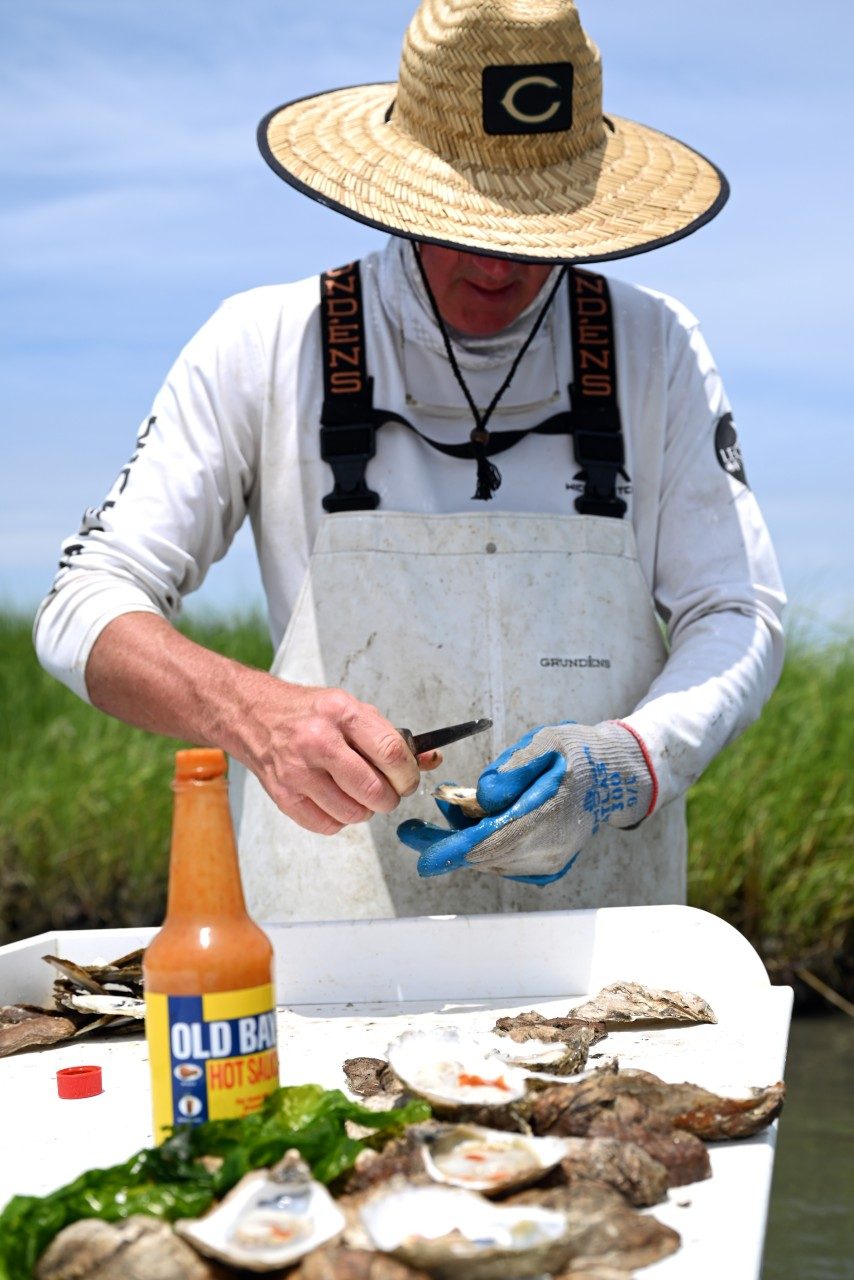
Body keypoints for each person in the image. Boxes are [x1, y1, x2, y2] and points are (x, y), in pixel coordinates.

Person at [34, 0, 785, 922]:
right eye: (463, 225)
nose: (497, 266)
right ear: (400, 185)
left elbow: (737, 610)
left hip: (607, 948)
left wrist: (633, 758)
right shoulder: (265, 342)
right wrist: (254, 714)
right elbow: (84, 603)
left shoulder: (655, 345)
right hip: (333, 938)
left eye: (533, 230)